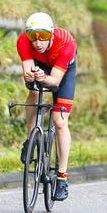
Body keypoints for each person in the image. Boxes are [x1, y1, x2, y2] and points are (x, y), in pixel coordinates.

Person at [16, 12, 76, 201]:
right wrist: (32, 75)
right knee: (34, 92)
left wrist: (44, 78)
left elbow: (56, 81)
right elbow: (27, 73)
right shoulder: (23, 42)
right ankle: (30, 140)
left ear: (51, 33)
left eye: (43, 36)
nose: (38, 42)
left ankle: (62, 178)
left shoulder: (66, 43)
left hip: (62, 71)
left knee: (59, 122)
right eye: (34, 37)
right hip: (42, 66)